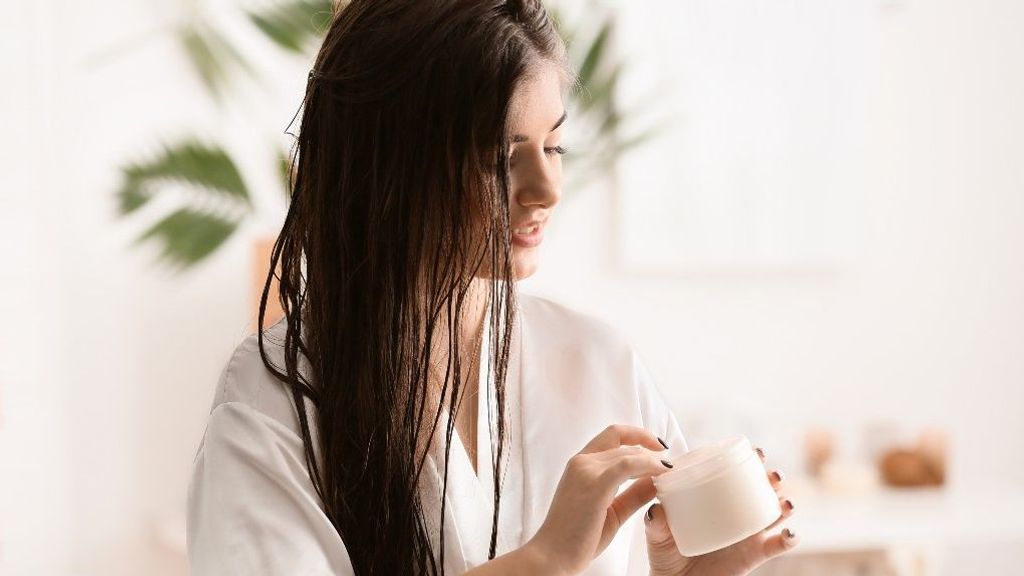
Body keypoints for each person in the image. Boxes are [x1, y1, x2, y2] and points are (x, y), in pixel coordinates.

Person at [185, 0, 799, 574]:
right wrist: (546, 560)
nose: (547, 189)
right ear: (390, 164)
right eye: (499, 160)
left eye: (554, 146)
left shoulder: (598, 360)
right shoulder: (275, 395)